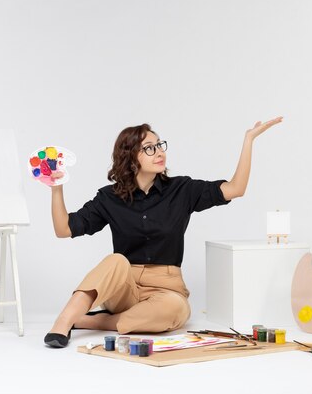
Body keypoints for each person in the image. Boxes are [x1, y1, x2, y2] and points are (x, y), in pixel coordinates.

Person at [44, 118, 283, 348]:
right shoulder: (110, 197)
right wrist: (57, 189)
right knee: (115, 260)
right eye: (149, 148)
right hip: (124, 288)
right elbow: (64, 229)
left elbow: (235, 188)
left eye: (159, 145)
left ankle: (89, 320)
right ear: (130, 159)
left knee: (175, 311)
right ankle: (63, 322)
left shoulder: (182, 189)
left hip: (166, 290)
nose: (159, 152)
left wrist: (249, 140)